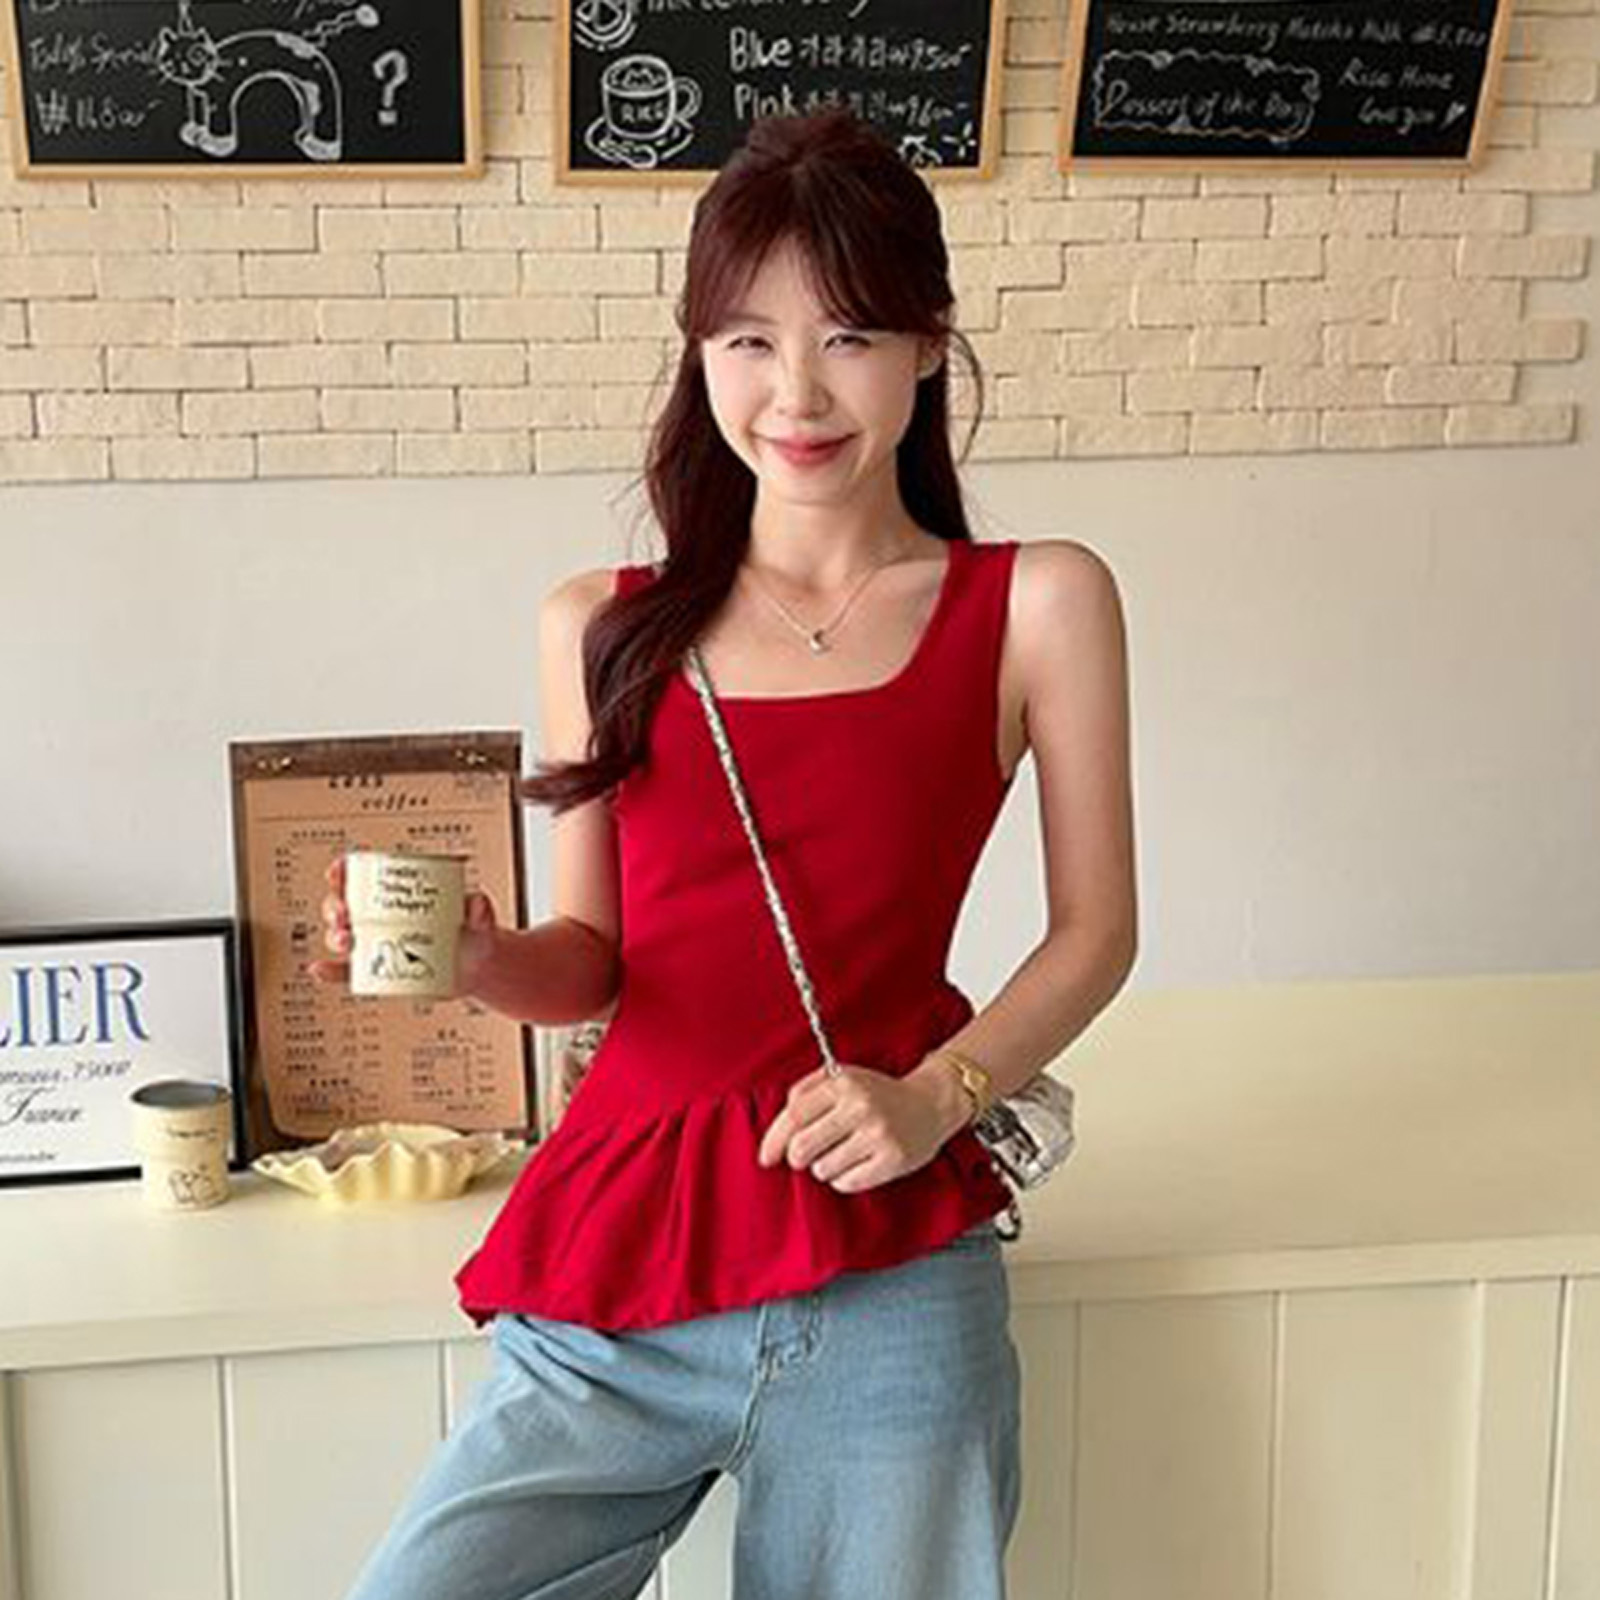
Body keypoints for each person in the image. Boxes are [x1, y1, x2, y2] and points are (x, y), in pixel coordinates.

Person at [312, 108, 1137, 1600]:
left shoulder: (1039, 603)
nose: (796, 391)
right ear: (699, 355)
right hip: (625, 1251)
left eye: (850, 336)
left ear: (929, 344)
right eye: (749, 340)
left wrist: (934, 1097)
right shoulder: (603, 624)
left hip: (890, 1264)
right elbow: (593, 965)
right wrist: (482, 960)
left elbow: (1097, 930)